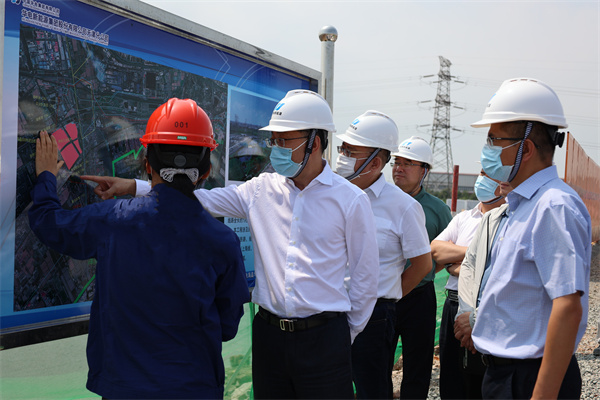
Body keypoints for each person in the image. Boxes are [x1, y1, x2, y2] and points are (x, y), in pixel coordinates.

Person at [82, 89, 380, 399]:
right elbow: (198, 199)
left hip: (325, 339)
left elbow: (365, 278)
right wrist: (134, 186)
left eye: (283, 140)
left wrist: (341, 336)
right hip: (269, 338)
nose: (275, 149)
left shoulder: (350, 200)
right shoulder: (261, 189)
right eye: (273, 140)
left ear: (314, 143)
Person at [28, 98, 250, 399]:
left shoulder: (113, 221)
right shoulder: (223, 241)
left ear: (147, 164)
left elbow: (49, 223)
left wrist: (45, 176)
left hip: (124, 389)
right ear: (206, 170)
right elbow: (227, 327)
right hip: (194, 388)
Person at [469, 77, 591, 399]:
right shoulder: (524, 204)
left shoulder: (553, 206)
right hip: (505, 374)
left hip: (528, 379)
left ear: (526, 149)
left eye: (494, 140)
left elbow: (568, 306)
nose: (487, 149)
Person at [335, 111, 432, 399]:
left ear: (376, 163)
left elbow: (422, 264)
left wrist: (387, 297)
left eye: (350, 151)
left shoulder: (403, 206)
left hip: (374, 317)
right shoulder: (332, 194)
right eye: (342, 148)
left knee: (372, 390)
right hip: (329, 309)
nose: (342, 157)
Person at [430, 170, 506, 399]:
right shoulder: (464, 218)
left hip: (485, 307)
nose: (482, 179)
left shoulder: (508, 221)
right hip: (453, 305)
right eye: (482, 173)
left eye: (490, 174)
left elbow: (500, 267)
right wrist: (478, 256)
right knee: (452, 378)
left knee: (480, 380)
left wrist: (455, 264)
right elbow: (436, 250)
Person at [390, 136, 452, 399]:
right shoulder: (376, 201)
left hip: (419, 298)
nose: (399, 168)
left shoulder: (437, 210)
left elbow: (445, 251)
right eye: (396, 162)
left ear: (424, 170)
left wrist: (423, 273)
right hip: (382, 295)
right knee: (375, 361)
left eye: (408, 164)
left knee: (418, 365)